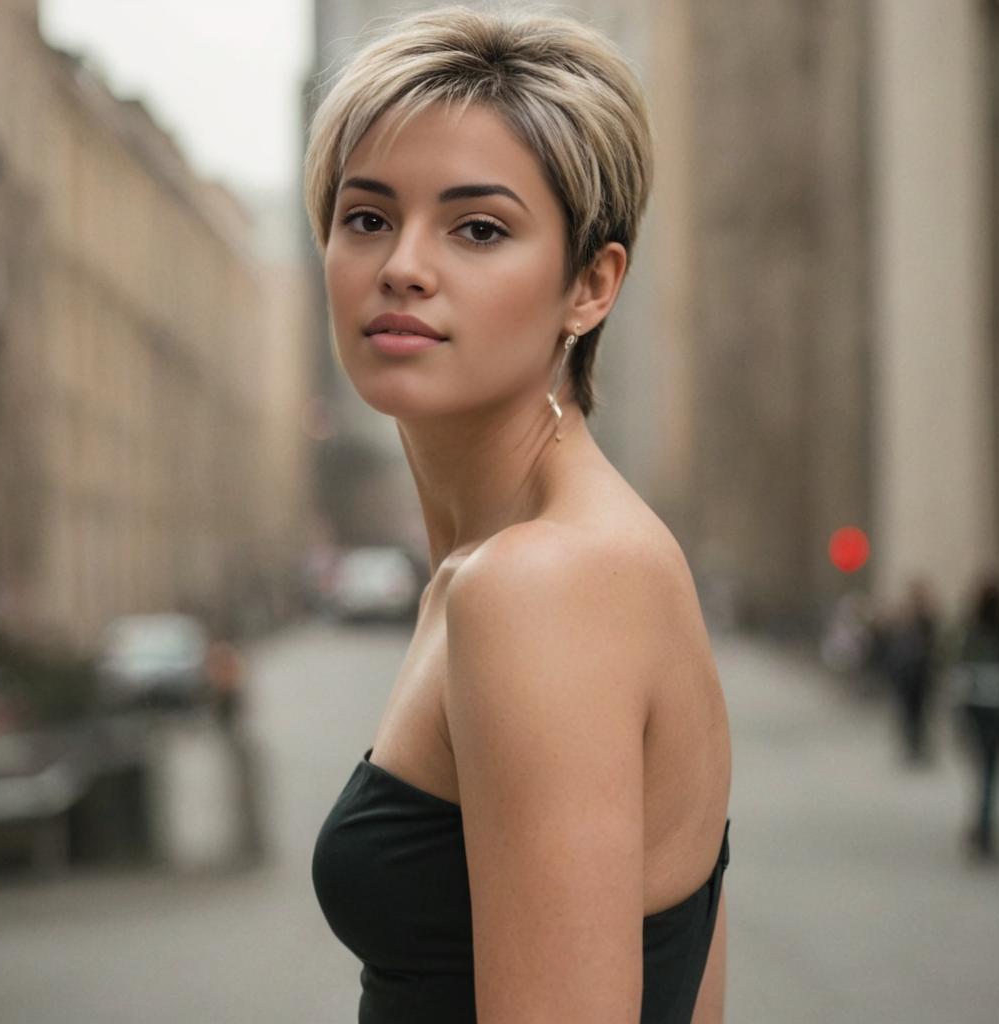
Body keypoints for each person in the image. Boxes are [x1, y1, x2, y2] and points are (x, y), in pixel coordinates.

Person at [305, 8, 733, 1022]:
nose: (403, 264)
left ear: (591, 284)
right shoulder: (556, 556)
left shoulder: (544, 582)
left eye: (478, 227)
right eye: (366, 217)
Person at [954, 574, 999, 861]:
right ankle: (984, 826)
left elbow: (962, 674)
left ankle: (983, 827)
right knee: (990, 772)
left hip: (980, 712)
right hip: (998, 713)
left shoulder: (974, 633)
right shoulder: (998, 631)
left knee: (984, 773)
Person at [884, 579, 941, 764]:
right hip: (906, 675)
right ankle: (910, 746)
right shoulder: (904, 620)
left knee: (921, 713)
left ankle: (919, 746)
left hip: (922, 675)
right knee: (907, 713)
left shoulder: (927, 619)